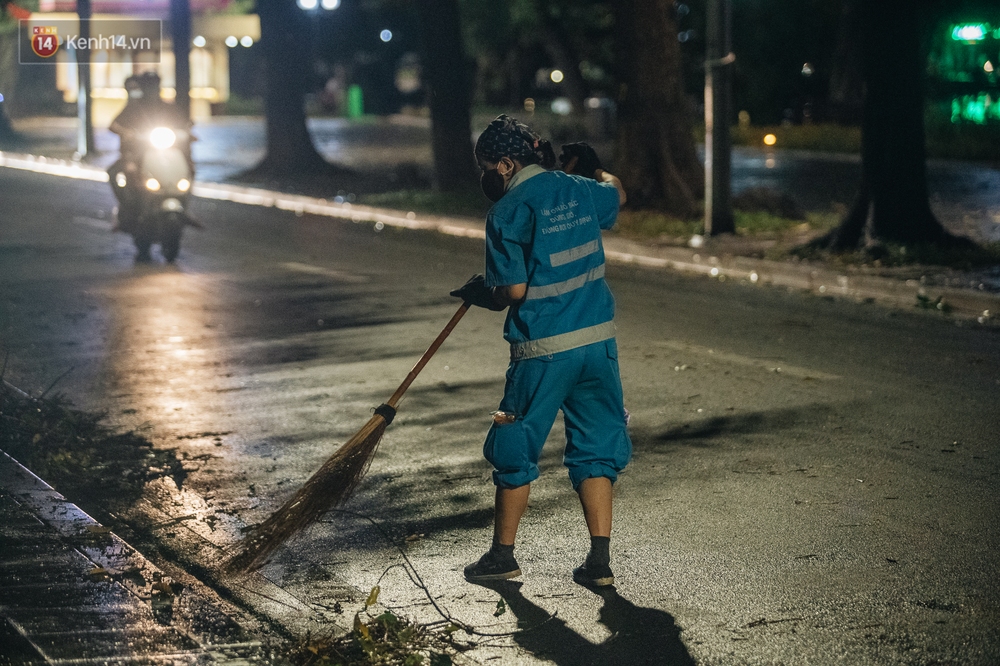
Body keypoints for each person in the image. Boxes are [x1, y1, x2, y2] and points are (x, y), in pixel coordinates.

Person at [451, 115, 632, 588]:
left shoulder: (508, 211)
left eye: (487, 167)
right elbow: (617, 196)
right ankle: (599, 563)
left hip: (544, 349)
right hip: (597, 344)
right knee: (596, 447)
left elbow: (511, 291)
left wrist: (481, 293)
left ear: (507, 164)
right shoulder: (578, 188)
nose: (486, 176)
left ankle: (502, 555)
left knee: (515, 446)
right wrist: (599, 171)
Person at [107, 72, 192, 232]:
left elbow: (185, 123)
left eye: (154, 87)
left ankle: (185, 208)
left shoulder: (168, 107)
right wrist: (126, 133)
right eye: (148, 87)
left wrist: (186, 131)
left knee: (189, 169)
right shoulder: (133, 108)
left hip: (165, 152)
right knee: (113, 172)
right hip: (137, 155)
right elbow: (113, 125)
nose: (152, 90)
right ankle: (128, 206)